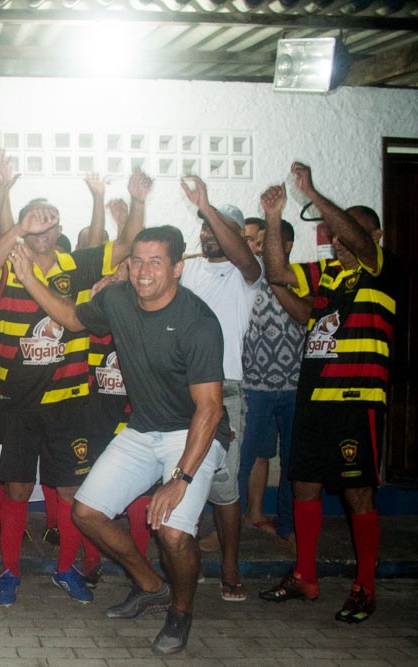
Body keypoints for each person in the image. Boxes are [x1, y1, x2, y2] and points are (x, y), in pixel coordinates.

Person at [12, 225, 229, 655]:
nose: (143, 271)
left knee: (172, 533)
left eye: (155, 262)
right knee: (86, 512)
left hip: (193, 434)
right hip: (143, 428)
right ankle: (150, 585)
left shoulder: (198, 323)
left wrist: (180, 479)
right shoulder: (117, 299)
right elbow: (73, 318)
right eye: (137, 261)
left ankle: (181, 611)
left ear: (177, 268)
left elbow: (210, 408)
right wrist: (30, 279)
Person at [0, 170, 149, 608]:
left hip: (69, 404)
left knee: (72, 492)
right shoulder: (10, 263)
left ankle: (66, 569)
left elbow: (126, 245)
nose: (42, 226)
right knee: (16, 490)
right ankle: (10, 571)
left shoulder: (79, 265)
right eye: (34, 220)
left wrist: (136, 200)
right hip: (16, 404)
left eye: (49, 220)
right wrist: (17, 224)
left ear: (58, 230)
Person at [259, 163, 399, 624]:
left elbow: (357, 239)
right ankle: (306, 576)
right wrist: (274, 218)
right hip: (314, 400)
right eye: (334, 235)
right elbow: (281, 278)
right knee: (304, 485)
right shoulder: (327, 275)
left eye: (347, 233)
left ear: (374, 235)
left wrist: (313, 192)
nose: (338, 240)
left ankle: (365, 586)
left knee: (358, 493)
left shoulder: (381, 268)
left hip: (356, 402)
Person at [179, 176, 261, 602]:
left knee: (225, 487)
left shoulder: (247, 273)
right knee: (182, 478)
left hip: (225, 391)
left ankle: (230, 567)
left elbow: (244, 255)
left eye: (217, 227)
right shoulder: (188, 268)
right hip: (181, 389)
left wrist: (207, 206)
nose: (208, 233)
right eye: (205, 226)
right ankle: (185, 563)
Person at [237, 218, 308, 543]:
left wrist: (276, 280)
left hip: (295, 387)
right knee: (242, 459)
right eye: (255, 242)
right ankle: (230, 528)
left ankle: (289, 527)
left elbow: (306, 315)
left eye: (264, 243)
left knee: (294, 463)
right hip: (254, 387)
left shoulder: (303, 278)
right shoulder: (248, 280)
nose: (257, 248)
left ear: (287, 246)